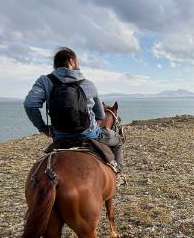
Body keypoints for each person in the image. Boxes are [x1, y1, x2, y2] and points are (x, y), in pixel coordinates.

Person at [24, 47, 125, 185]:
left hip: (59, 135)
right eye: (77, 61)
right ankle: (118, 174)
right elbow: (100, 115)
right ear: (71, 61)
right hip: (89, 134)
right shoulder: (88, 84)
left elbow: (30, 104)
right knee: (118, 140)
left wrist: (43, 128)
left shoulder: (45, 81)